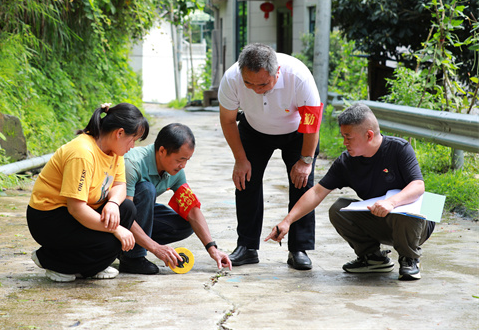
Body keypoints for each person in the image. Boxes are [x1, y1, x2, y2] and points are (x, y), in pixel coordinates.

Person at [266, 103, 434, 280]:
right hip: (383, 220)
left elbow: (418, 186)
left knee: (402, 211)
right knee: (338, 209)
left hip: (418, 222)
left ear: (369, 135)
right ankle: (373, 258)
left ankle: (410, 258)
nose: (344, 143)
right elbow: (317, 192)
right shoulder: (346, 161)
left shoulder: (399, 148)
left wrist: (391, 203)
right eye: (343, 136)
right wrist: (287, 221)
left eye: (349, 137)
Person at [218, 43, 323, 270]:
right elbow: (227, 120)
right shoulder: (232, 78)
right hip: (254, 130)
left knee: (302, 184)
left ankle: (299, 248)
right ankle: (247, 247)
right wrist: (240, 159)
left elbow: (311, 122)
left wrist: (306, 160)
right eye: (249, 84)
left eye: (263, 84)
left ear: (277, 72)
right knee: (245, 181)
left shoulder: (298, 76)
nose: (256, 89)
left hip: (297, 132)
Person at [26, 103, 149, 282]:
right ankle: (51, 260)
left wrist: (113, 203)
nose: (133, 146)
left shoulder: (115, 152)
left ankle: (88, 267)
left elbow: (120, 184)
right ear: (120, 133)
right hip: (50, 218)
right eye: (133, 139)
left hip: (79, 212)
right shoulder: (82, 153)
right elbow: (76, 208)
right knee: (111, 243)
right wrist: (116, 229)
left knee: (127, 209)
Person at [119, 123, 233, 274]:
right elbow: (125, 213)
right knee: (147, 190)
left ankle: (129, 246)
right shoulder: (132, 164)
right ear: (162, 151)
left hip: (136, 213)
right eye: (180, 159)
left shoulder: (176, 172)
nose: (183, 165)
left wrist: (212, 249)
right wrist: (156, 248)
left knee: (186, 224)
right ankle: (132, 258)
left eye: (187, 160)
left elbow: (192, 210)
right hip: (113, 217)